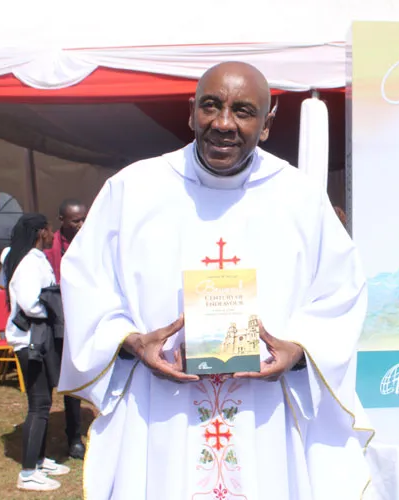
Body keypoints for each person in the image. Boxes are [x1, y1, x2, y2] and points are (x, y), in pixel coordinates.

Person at [57, 62, 372, 499]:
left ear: (267, 124)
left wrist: (299, 348)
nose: (223, 124)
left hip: (265, 413)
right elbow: (86, 282)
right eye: (211, 106)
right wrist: (132, 342)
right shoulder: (133, 190)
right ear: (191, 112)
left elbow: (342, 293)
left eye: (243, 111)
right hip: (161, 410)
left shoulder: (301, 198)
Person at [3, 213, 70, 492]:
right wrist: (56, 311)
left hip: (39, 339)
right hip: (30, 341)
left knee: (44, 402)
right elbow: (30, 304)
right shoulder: (29, 263)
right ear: (41, 232)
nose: (52, 234)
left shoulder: (36, 259)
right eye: (49, 229)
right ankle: (28, 472)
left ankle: (40, 461)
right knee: (39, 404)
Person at [43, 198, 88, 460]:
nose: (81, 225)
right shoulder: (49, 250)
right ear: (62, 220)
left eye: (84, 219)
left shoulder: (92, 242)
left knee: (79, 380)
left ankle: (78, 437)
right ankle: (61, 437)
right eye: (75, 221)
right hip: (57, 324)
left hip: (84, 320)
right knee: (58, 381)